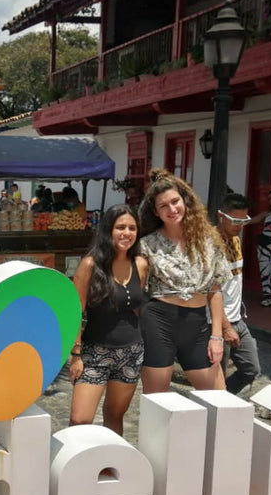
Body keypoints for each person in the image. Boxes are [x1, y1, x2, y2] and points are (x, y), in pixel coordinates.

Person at [138, 168, 231, 393]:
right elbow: (137, 290)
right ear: (156, 211)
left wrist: (217, 335)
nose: (172, 209)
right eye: (163, 206)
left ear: (185, 201)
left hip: (198, 324)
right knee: (158, 400)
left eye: (175, 201)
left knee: (219, 398)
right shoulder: (147, 244)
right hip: (158, 321)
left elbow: (215, 289)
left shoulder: (209, 240)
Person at [69, 204, 148, 435]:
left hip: (131, 353)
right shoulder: (90, 265)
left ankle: (109, 468)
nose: (127, 233)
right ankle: (73, 468)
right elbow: (76, 311)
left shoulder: (140, 264)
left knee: (114, 417)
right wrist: (76, 355)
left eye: (132, 228)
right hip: (95, 353)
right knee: (80, 420)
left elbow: (135, 307)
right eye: (120, 227)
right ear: (108, 230)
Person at [216, 193, 261, 394]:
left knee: (251, 369)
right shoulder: (210, 244)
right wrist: (225, 327)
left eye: (243, 221)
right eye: (234, 220)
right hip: (216, 322)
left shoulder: (235, 240)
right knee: (216, 376)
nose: (239, 226)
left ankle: (226, 402)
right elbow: (210, 290)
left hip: (237, 319)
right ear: (221, 216)